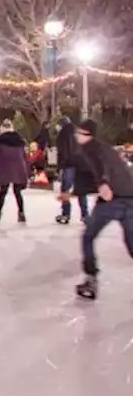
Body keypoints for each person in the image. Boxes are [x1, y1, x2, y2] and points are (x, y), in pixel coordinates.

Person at [68, 119, 133, 300]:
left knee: (88, 236)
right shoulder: (107, 148)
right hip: (130, 198)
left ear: (86, 134)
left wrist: (104, 182)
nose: (76, 136)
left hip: (112, 199)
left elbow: (100, 165)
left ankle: (91, 279)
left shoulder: (91, 148)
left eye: (78, 133)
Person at [0, 119, 29, 224]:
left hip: (5, 169)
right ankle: (21, 213)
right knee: (17, 192)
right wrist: (28, 171)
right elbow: (24, 158)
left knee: (2, 192)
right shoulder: (19, 141)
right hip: (18, 169)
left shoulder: (0, 142)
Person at [55, 116, 89, 225]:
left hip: (68, 165)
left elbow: (62, 152)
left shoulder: (62, 135)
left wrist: (59, 168)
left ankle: (66, 213)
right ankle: (85, 215)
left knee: (65, 189)